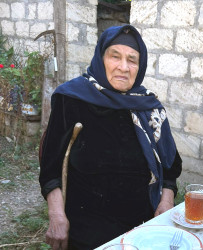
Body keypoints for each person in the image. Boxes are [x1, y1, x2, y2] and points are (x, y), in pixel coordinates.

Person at [39, 25, 182, 249]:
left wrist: (165, 203)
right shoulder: (72, 99)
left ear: (140, 65)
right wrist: (57, 216)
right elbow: (50, 169)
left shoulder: (149, 107)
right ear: (100, 57)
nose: (123, 67)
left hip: (141, 226)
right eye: (115, 57)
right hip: (87, 226)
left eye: (132, 60)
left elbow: (170, 169)